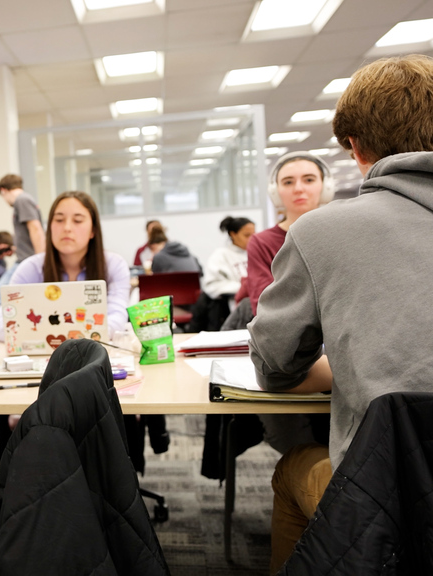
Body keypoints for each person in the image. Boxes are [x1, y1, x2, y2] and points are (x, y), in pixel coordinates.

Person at [248, 55, 433, 573]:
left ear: (353, 147)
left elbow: (275, 368)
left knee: (292, 471)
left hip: (385, 500)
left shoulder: (321, 232)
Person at [0, 191, 130, 342]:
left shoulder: (114, 265)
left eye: (77, 220)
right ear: (49, 227)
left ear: (93, 230)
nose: (67, 228)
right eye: (59, 220)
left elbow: (117, 320)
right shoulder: (30, 268)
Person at [244, 151, 334, 316]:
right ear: (275, 192)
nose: (298, 189)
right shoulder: (262, 243)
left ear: (325, 186)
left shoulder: (340, 234)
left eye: (309, 180)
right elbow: (265, 306)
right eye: (288, 182)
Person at [203, 216, 255, 304]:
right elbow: (212, 286)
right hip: (233, 305)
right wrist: (244, 287)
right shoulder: (221, 255)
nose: (252, 238)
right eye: (246, 235)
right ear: (233, 234)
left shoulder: (256, 253)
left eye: (253, 234)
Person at [0, 174, 44, 262]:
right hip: (26, 258)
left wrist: (40, 260)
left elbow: (35, 228)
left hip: (28, 260)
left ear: (3, 191)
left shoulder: (22, 200)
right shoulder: (24, 200)